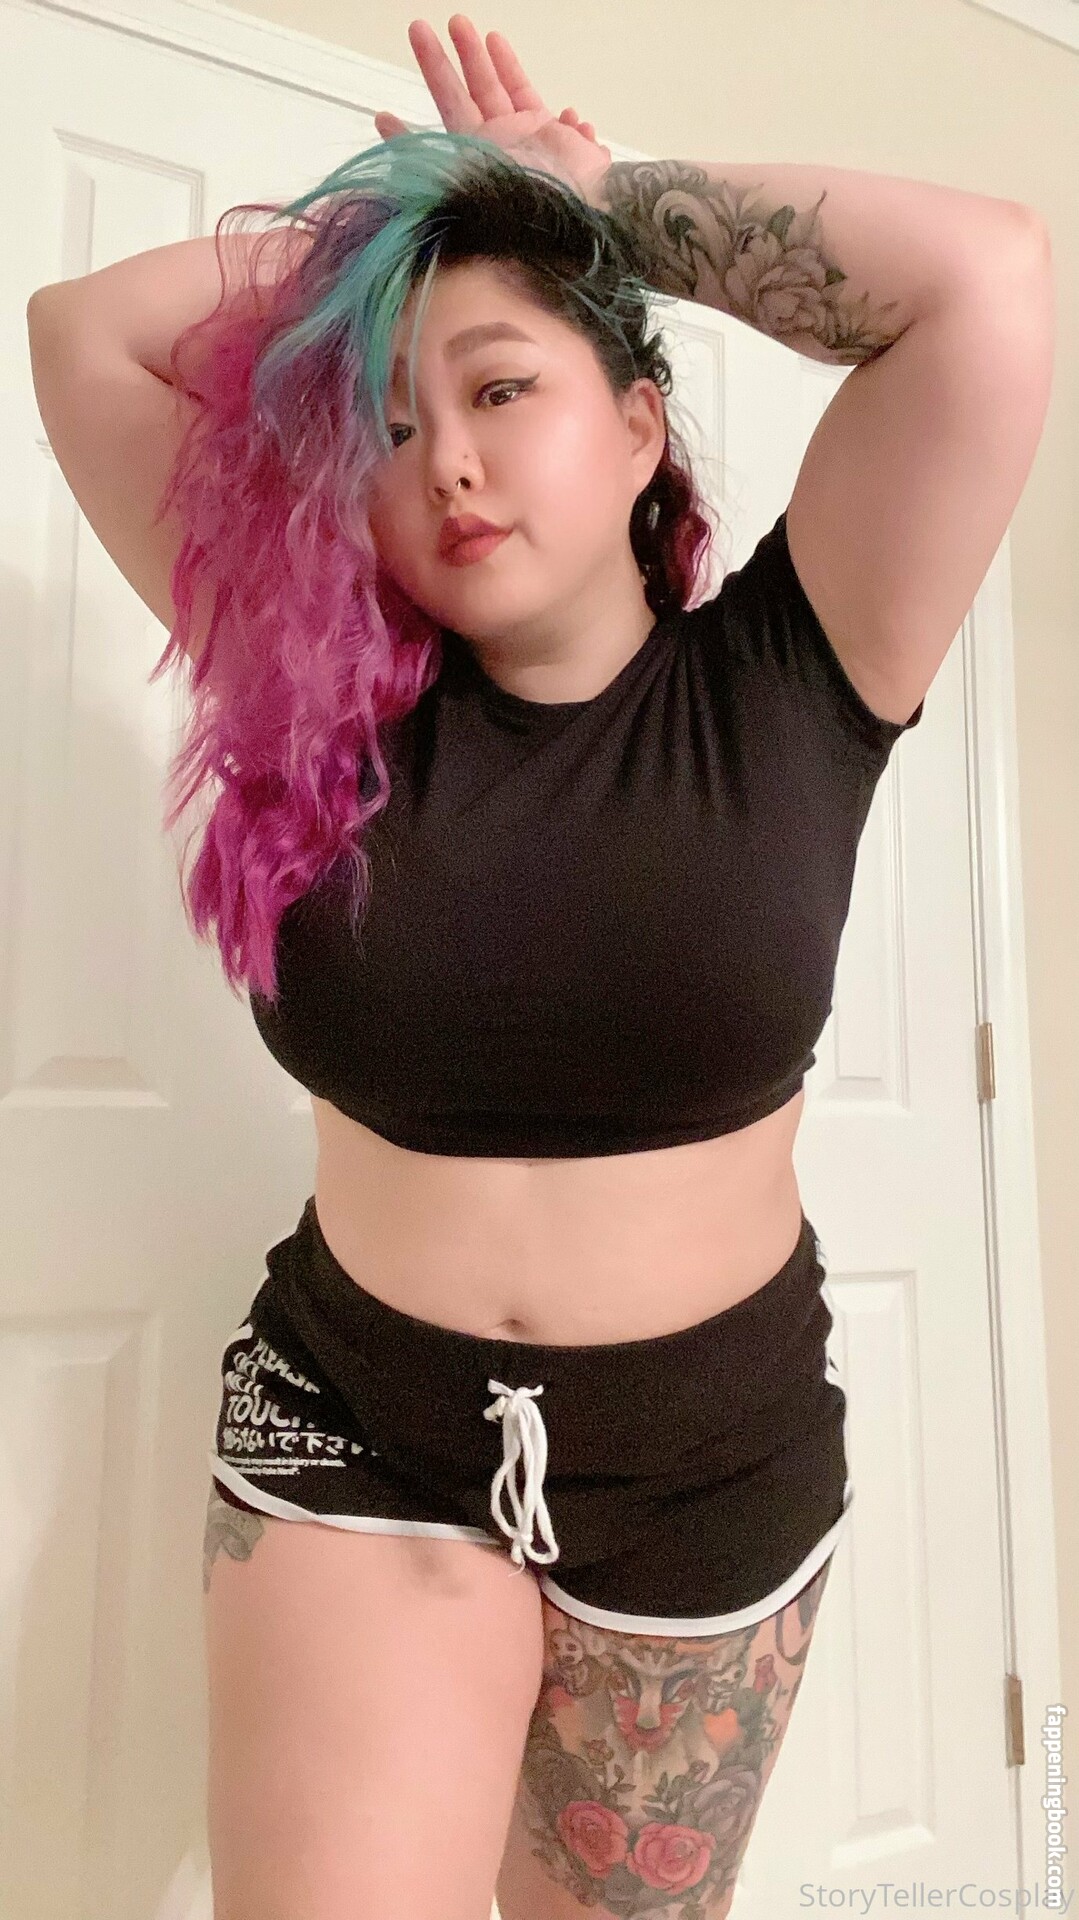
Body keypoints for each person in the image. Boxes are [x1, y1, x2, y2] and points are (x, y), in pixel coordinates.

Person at [28, 20, 1051, 1913]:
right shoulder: (319, 701)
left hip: (708, 1472)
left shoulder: (797, 671)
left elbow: (985, 280)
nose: (451, 461)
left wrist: (585, 204)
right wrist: (398, 232)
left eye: (502, 386)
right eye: (392, 423)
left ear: (642, 424)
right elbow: (83, 331)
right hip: (358, 1428)